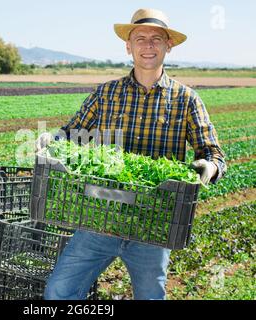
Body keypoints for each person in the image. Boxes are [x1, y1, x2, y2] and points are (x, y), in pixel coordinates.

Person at [36, 8, 227, 300]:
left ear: (168, 45)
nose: (148, 45)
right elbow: (73, 133)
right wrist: (53, 139)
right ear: (129, 45)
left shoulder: (186, 99)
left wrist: (208, 167)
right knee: (59, 293)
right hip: (101, 217)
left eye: (156, 39)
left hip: (154, 226)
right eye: (140, 38)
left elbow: (214, 154)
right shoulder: (106, 94)